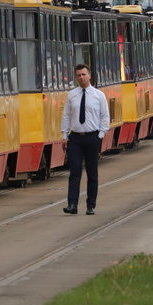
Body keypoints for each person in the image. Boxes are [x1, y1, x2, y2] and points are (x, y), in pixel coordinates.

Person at [61, 64, 110, 215]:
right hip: (75, 138)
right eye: (78, 75)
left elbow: (105, 117)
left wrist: (100, 136)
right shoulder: (72, 95)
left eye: (83, 75)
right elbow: (66, 116)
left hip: (92, 137)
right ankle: (72, 204)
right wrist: (64, 135)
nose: (81, 78)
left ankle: (91, 205)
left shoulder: (98, 95)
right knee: (74, 171)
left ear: (89, 76)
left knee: (92, 173)